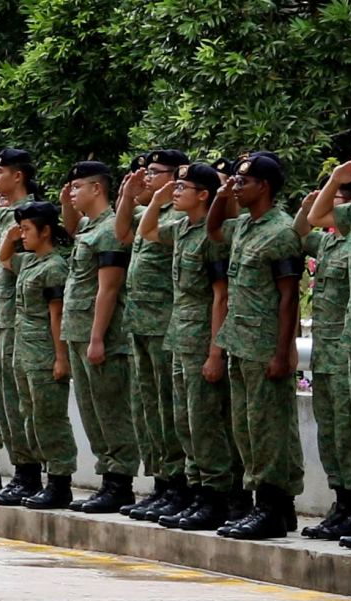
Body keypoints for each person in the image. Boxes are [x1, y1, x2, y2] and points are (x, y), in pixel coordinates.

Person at [208, 153, 303, 539]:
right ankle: (265, 505)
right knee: (245, 429)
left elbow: (290, 298)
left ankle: (274, 508)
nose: (236, 187)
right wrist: (221, 195)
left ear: (263, 186)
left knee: (268, 430)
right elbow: (214, 230)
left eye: (243, 182)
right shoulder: (246, 226)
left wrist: (283, 352)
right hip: (239, 342)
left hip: (265, 347)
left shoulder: (280, 232)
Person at [139, 163, 240, 530]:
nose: (176, 192)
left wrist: (215, 351)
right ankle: (198, 491)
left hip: (201, 338)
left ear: (204, 195)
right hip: (179, 336)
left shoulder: (211, 239)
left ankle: (216, 496)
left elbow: (220, 297)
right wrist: (156, 198)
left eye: (184, 187)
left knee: (204, 421)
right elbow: (147, 231)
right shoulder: (182, 229)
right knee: (184, 420)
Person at [112, 150, 191, 520]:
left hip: (165, 324)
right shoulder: (150, 214)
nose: (145, 177)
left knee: (168, 409)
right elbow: (122, 232)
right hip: (139, 323)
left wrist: (159, 199)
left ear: (176, 177)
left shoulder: (179, 217)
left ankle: (177, 484)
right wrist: (130, 196)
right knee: (147, 409)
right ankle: (161, 482)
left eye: (154, 172)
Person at [58, 161, 139, 513]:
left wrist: (97, 337)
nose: (72, 193)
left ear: (97, 189)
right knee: (91, 411)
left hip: (99, 335)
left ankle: (119, 482)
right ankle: (108, 477)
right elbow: (73, 228)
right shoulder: (90, 226)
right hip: (77, 331)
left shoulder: (110, 230)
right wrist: (66, 205)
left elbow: (108, 288)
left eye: (77, 187)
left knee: (110, 411)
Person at [0, 202, 77, 508]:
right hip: (25, 353)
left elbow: (57, 317)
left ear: (46, 231)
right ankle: (39, 478)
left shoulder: (55, 267)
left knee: (49, 418)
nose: (22, 235)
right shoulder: (29, 262)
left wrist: (61, 358)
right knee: (29, 418)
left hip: (44, 352)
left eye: (27, 229)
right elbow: (4, 259)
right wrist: (12, 237)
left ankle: (59, 481)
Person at [0, 149, 41, 503]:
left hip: (22, 320)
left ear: (18, 176)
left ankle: (31, 474)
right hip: (1, 316)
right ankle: (20, 472)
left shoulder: (31, 214)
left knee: (22, 403)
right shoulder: (6, 215)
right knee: (5, 403)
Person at [307, 162, 351, 542]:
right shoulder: (342, 231)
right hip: (334, 348)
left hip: (344, 350)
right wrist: (334, 180)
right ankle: (345, 504)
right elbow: (311, 218)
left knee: (349, 431)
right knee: (334, 433)